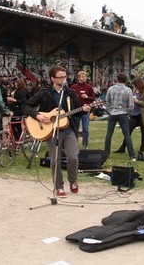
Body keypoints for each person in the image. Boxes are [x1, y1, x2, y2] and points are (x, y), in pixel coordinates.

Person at [23, 66, 90, 198]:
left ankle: (73, 180)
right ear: (53, 78)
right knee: (55, 160)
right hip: (51, 130)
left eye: (65, 77)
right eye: (60, 77)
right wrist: (37, 116)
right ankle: (59, 186)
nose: (63, 79)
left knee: (73, 157)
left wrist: (84, 109)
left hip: (69, 129)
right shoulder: (44, 93)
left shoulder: (70, 93)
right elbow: (26, 106)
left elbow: (76, 112)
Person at [114, 77, 144, 154]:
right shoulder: (134, 91)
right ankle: (122, 147)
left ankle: (142, 149)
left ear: (138, 84)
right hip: (134, 114)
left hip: (142, 115)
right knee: (128, 131)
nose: (133, 86)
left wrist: (138, 101)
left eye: (134, 85)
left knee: (143, 132)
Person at [104, 72, 135, 160]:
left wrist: (109, 110)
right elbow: (131, 105)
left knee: (109, 135)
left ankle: (106, 153)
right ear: (126, 80)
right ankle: (132, 155)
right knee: (127, 135)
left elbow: (107, 101)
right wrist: (128, 113)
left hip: (112, 113)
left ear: (117, 79)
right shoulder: (128, 90)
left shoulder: (111, 89)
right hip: (122, 113)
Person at [70, 71, 95, 150]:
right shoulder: (73, 87)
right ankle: (75, 144)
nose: (84, 78)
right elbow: (70, 98)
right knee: (75, 128)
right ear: (78, 78)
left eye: (85, 77)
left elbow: (93, 98)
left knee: (85, 128)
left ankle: (85, 145)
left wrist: (87, 97)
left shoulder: (89, 87)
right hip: (76, 110)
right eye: (82, 77)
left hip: (85, 110)